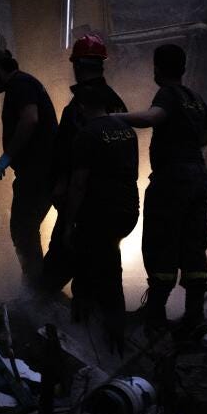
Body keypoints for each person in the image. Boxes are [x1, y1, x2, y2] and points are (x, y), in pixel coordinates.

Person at [112, 43, 207, 335]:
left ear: (158, 68)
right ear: (183, 68)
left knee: (162, 242)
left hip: (173, 180)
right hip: (198, 178)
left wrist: (112, 118)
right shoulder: (194, 98)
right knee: (194, 244)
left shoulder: (168, 94)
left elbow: (152, 118)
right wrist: (196, 143)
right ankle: (194, 315)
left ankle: (156, 313)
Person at [59, 81, 139, 353]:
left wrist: (69, 224)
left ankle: (85, 337)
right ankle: (114, 334)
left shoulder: (86, 135)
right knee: (109, 265)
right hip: (127, 212)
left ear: (81, 107)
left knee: (86, 269)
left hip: (99, 213)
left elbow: (79, 184)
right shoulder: (127, 131)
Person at [45, 33, 127, 292]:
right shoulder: (117, 103)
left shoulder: (80, 106)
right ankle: (105, 324)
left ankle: (38, 311)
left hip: (84, 201)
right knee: (106, 268)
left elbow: (68, 154)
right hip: (114, 202)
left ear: (77, 66)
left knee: (63, 256)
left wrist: (62, 189)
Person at [0, 46, 58, 286]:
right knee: (25, 229)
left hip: (39, 172)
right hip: (40, 171)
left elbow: (30, 119)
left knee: (23, 229)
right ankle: (37, 286)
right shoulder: (23, 85)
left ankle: (36, 290)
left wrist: (7, 155)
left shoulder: (20, 84)